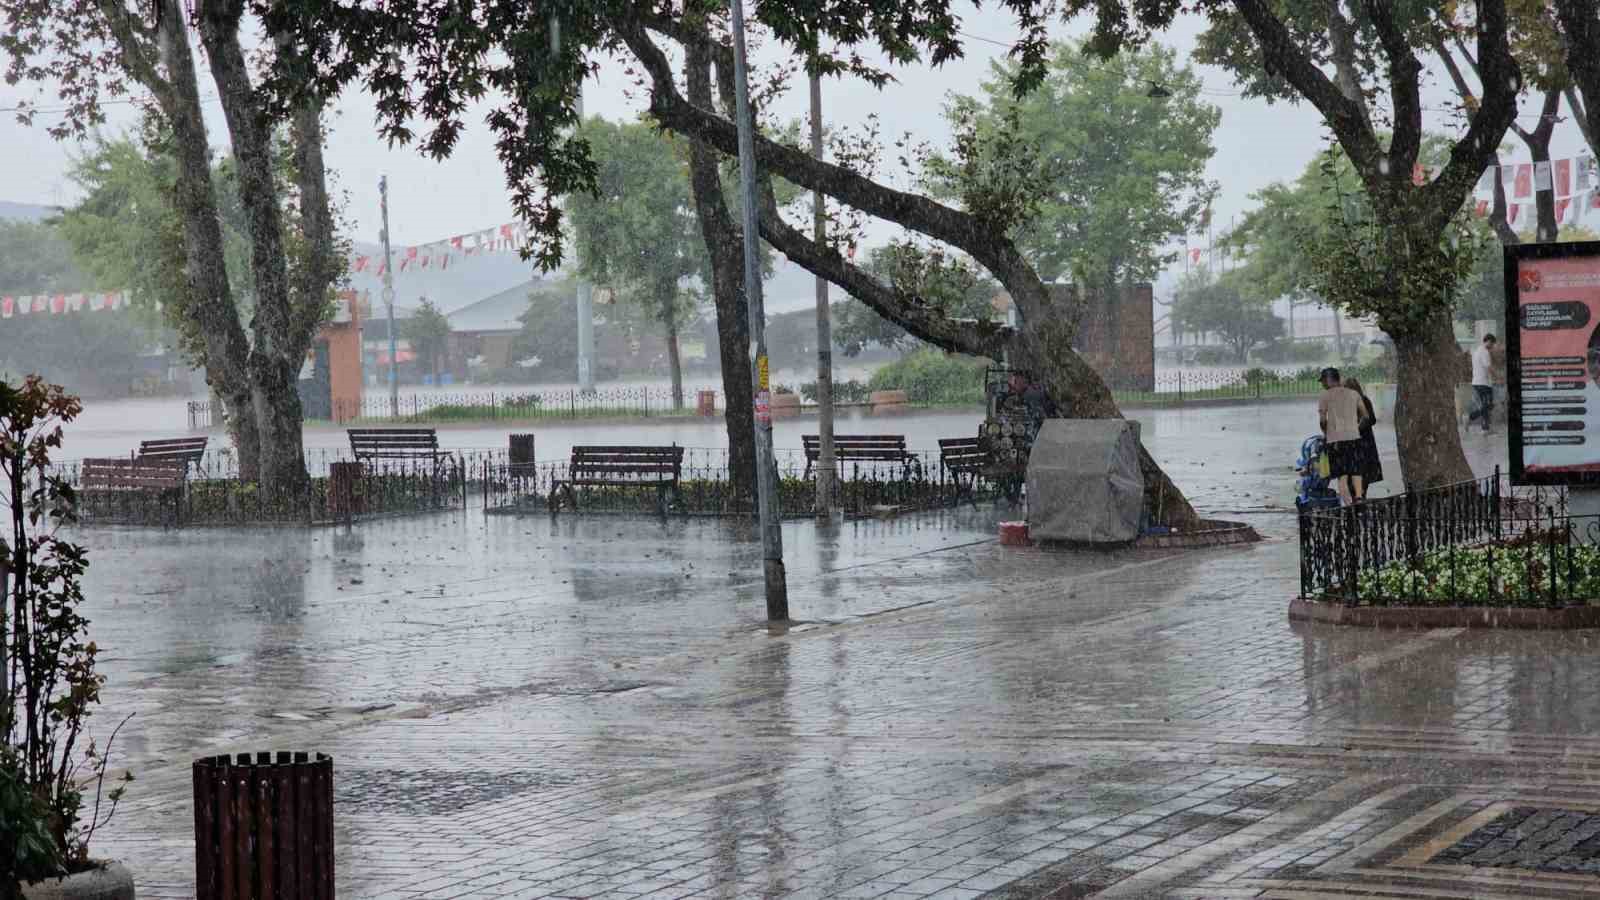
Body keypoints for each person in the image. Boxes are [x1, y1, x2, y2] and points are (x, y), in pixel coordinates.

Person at [1317, 367, 1365, 504]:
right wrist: (1354, 429)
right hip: (1354, 439)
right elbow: (1366, 417)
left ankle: (1350, 505)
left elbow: (1322, 421)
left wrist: (1327, 433)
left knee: (1342, 477)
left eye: (1323, 382)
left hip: (1338, 441)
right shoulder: (1353, 396)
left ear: (1329, 380)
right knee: (1356, 472)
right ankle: (1359, 500)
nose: (1323, 385)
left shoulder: (1326, 396)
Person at [1342, 376, 1384, 498]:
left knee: (1361, 480)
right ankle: (1357, 506)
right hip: (1353, 447)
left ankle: (1359, 506)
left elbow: (1371, 419)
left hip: (1362, 447)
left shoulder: (1363, 401)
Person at [1467, 334, 1497, 433]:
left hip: (1478, 382)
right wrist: (1498, 377)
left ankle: (1473, 420)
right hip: (1483, 383)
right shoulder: (1484, 352)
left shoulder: (1476, 351)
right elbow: (1488, 367)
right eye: (1492, 343)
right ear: (1488, 341)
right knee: (1487, 405)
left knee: (1488, 405)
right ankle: (1485, 428)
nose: (1493, 346)